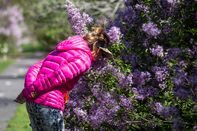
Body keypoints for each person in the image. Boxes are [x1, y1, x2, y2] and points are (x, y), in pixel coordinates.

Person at [14, 26, 112, 131]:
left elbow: (34, 68)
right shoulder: (84, 58)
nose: (99, 58)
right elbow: (57, 76)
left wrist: (29, 90)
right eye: (101, 54)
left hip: (32, 104)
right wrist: (33, 90)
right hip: (49, 105)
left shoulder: (66, 48)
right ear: (96, 47)